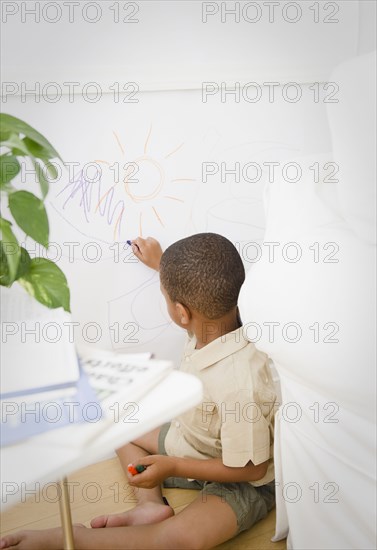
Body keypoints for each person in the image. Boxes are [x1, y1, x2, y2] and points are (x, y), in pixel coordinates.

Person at [0, 233, 277, 550]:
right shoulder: (219, 318)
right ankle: (150, 506)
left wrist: (173, 467)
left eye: (165, 296)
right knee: (115, 421)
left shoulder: (241, 383)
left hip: (244, 480)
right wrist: (163, 265)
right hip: (194, 442)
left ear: (181, 312)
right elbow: (198, 291)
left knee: (178, 539)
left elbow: (251, 468)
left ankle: (62, 538)